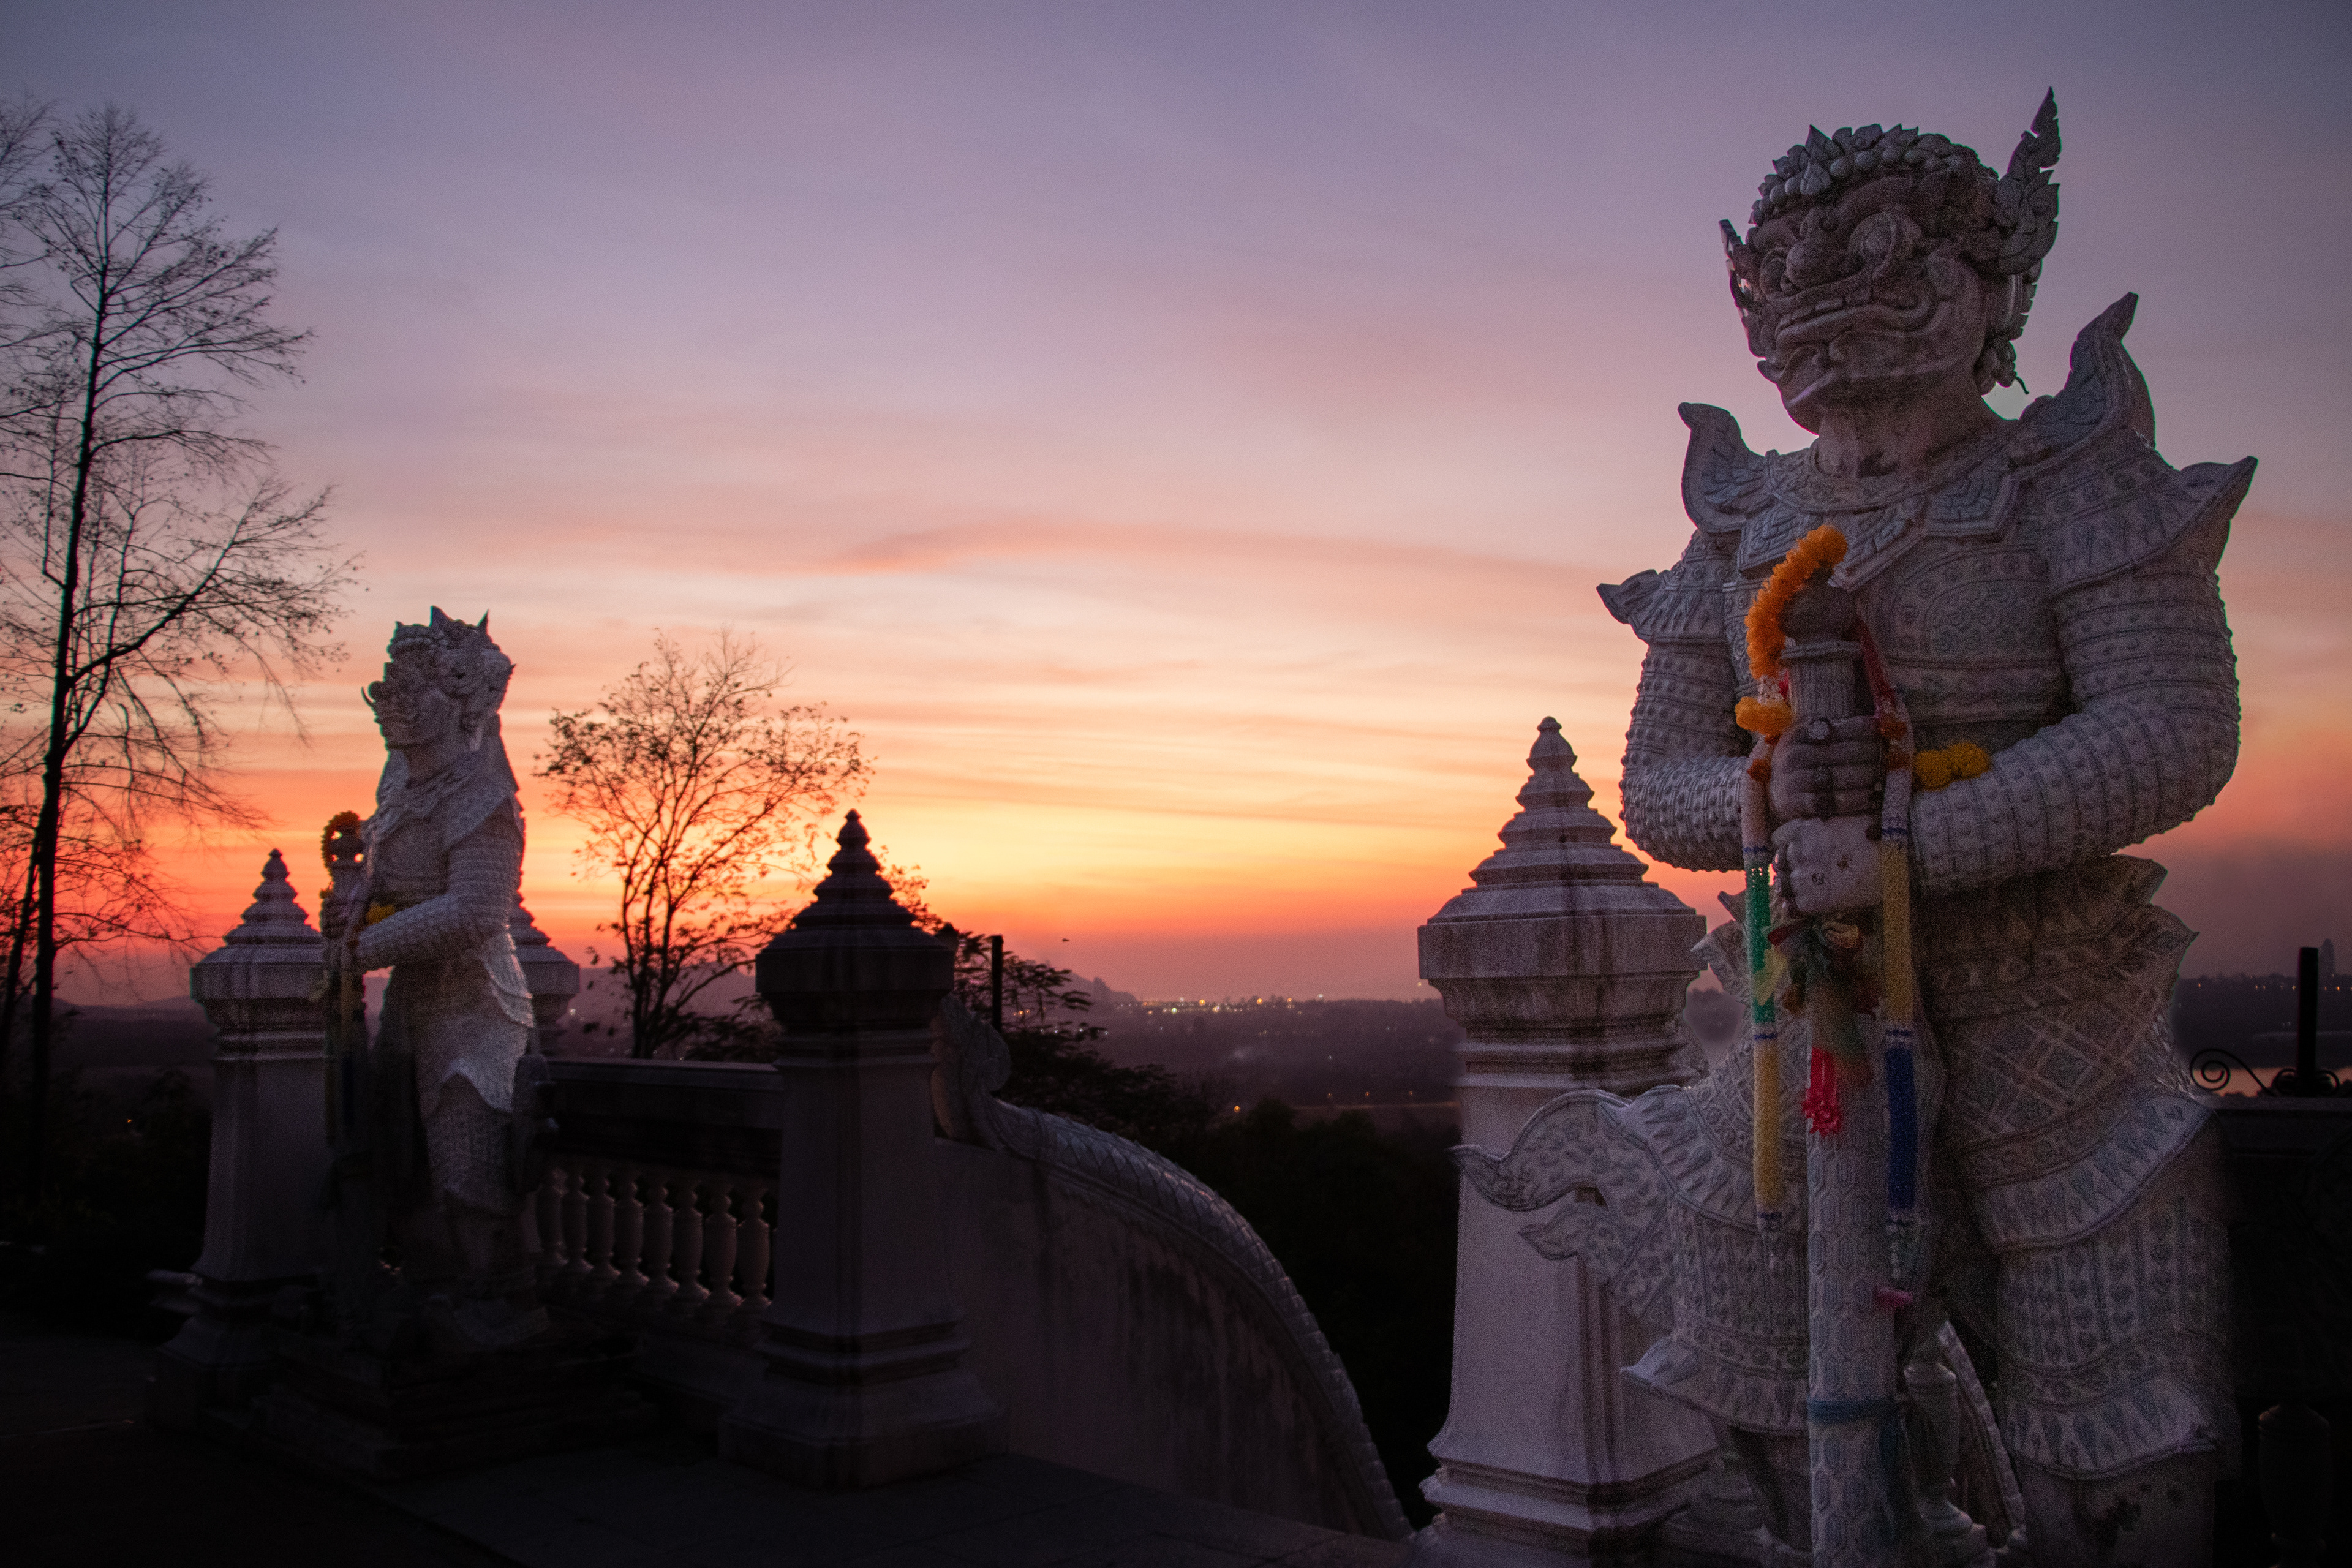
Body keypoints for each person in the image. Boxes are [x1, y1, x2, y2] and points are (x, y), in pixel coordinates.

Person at [1600, 101, 2246, 1562]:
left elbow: (2166, 727)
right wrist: (1768, 815)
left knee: (2116, 1439)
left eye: (1887, 265)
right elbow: (1658, 778)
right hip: (1800, 997)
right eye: (1797, 279)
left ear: (1993, 279)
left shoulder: (2065, 477)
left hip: (2046, 988)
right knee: (1777, 1398)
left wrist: (1913, 843)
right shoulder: (1742, 521)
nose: (1835, 308)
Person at [325, 608, 541, 1353]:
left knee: (464, 1168)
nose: (394, 696)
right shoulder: (399, 785)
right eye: (392, 681)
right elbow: (387, 880)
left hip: (475, 1002)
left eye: (416, 682)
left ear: (464, 700)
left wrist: (367, 946)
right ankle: (431, 1293)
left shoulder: (482, 794)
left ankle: (492, 1301)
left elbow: (478, 911)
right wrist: (353, 908)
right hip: (412, 1001)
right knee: (398, 1160)